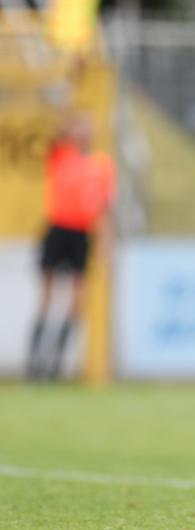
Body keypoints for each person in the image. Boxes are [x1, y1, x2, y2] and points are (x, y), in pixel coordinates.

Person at [25, 114, 116, 381]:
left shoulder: (102, 165)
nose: (84, 132)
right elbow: (52, 131)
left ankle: (56, 362)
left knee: (77, 299)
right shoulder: (61, 154)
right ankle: (35, 362)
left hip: (81, 233)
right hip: (57, 228)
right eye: (80, 127)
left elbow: (105, 211)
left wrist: (105, 250)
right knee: (47, 295)